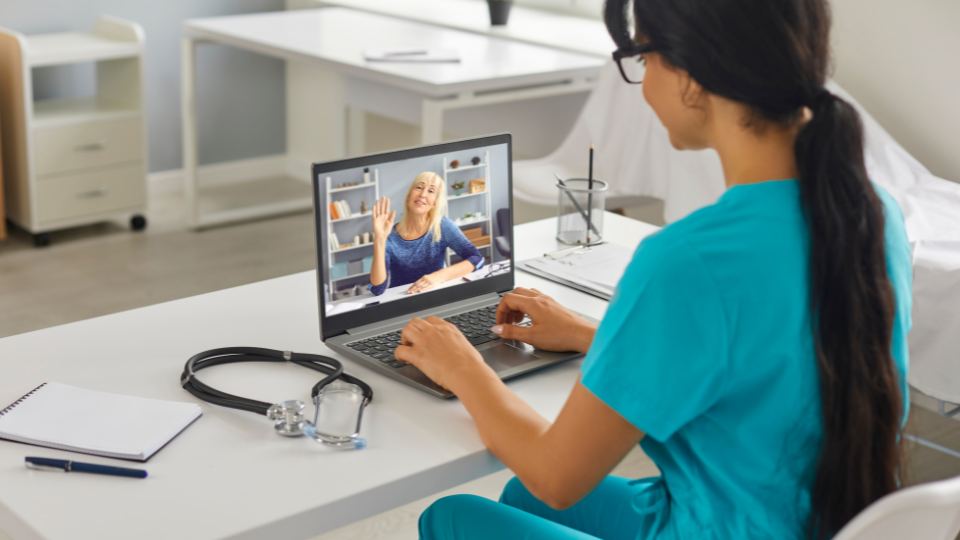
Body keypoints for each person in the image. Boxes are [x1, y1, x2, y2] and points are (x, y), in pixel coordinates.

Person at [394, 0, 912, 538]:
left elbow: (557, 476)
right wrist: (594, 336)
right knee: (517, 494)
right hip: (800, 519)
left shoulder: (689, 258)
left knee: (452, 515)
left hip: (715, 528)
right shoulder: (874, 213)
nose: (640, 86)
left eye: (643, 58)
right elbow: (764, 358)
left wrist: (463, 368)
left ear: (691, 73)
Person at [370, 172, 484, 296]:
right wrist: (380, 240)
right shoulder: (389, 236)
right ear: (408, 196)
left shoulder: (442, 226)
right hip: (402, 301)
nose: (423, 194)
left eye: (431, 191)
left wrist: (439, 276)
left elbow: (477, 259)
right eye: (419, 187)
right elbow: (378, 289)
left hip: (436, 297)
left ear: (434, 203)